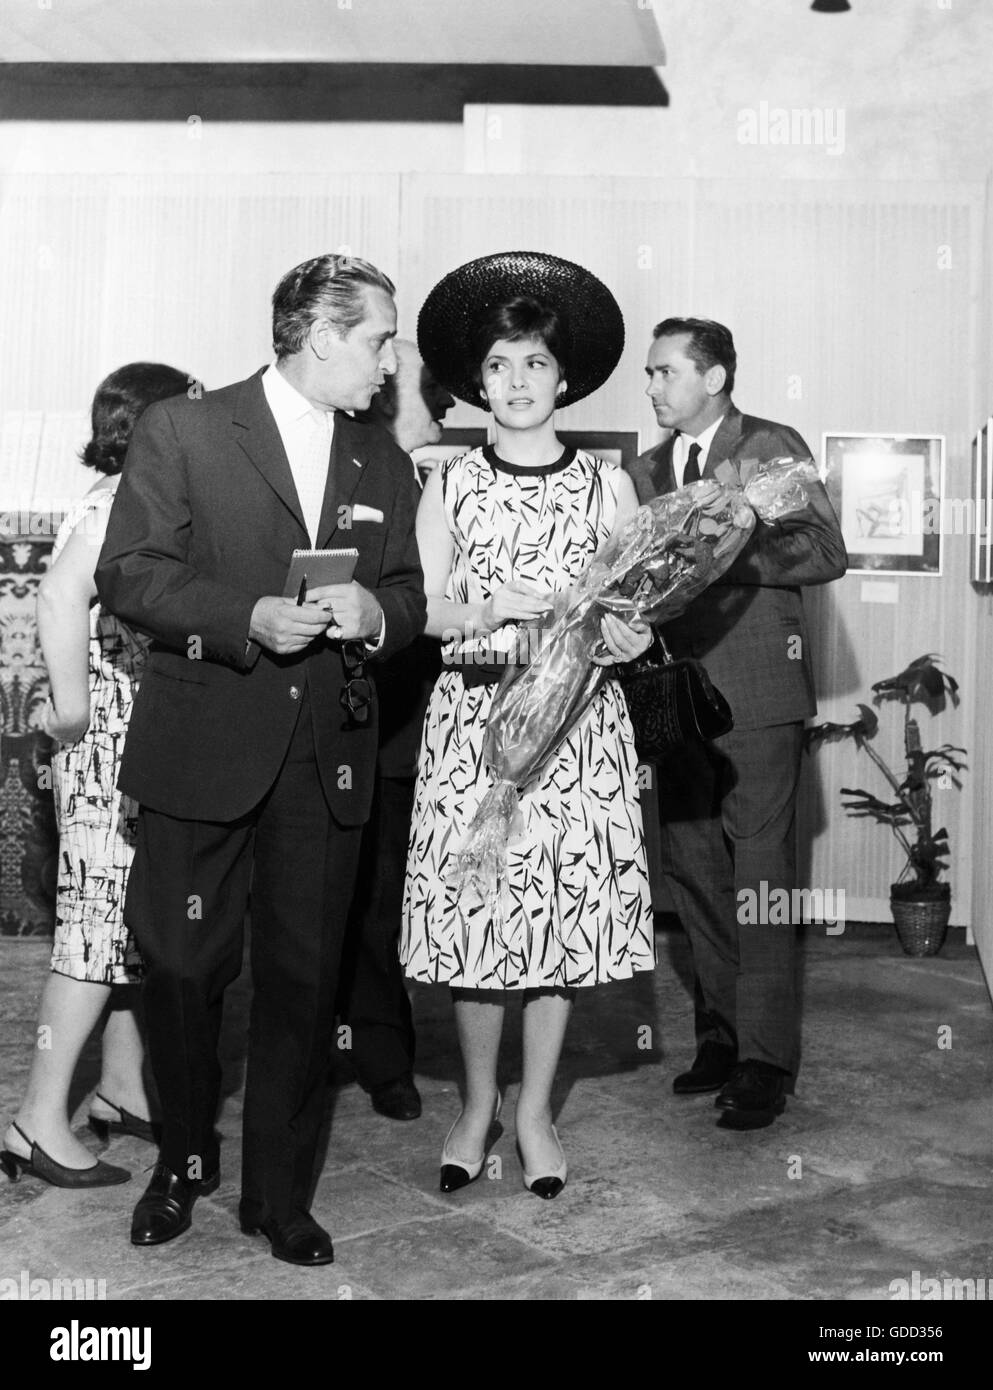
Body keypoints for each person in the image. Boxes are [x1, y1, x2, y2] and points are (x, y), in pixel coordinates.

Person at [95, 254, 426, 1265]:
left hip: (324, 762)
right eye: (378, 339)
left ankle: (279, 1196)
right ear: (322, 335)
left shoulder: (383, 460)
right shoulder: (185, 429)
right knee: (182, 969)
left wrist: (380, 613)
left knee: (301, 982)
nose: (389, 362)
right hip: (201, 748)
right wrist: (243, 617)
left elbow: (409, 591)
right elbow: (132, 573)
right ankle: (184, 1161)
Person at [401, 251, 655, 1200]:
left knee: (558, 921)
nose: (517, 384)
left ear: (564, 377)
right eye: (501, 366)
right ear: (478, 379)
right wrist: (489, 606)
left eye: (536, 365)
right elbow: (420, 608)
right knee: (479, 918)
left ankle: (536, 1110)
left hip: (580, 727)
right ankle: (475, 1106)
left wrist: (627, 633)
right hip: (477, 724)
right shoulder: (451, 482)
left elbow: (632, 608)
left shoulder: (608, 486)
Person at [632, 317, 847, 1130]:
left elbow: (823, 551)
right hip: (671, 700)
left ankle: (764, 1060)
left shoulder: (766, 446)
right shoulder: (647, 468)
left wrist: (714, 554)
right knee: (691, 876)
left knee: (759, 883)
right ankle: (718, 1036)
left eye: (663, 372)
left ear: (713, 377)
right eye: (649, 374)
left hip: (756, 696)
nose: (650, 386)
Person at [1, 363, 190, 1189]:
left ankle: (117, 1091)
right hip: (109, 747)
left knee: (125, 931)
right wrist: (74, 714)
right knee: (90, 937)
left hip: (131, 745)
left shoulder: (124, 493)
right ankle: (37, 1123)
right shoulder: (121, 502)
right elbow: (55, 595)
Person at [339, 340, 454, 1121]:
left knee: (381, 901)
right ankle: (324, 1045)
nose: (443, 411)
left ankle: (383, 1057)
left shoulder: (445, 484)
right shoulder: (343, 469)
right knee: (322, 900)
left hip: (410, 730)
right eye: (431, 396)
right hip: (334, 722)